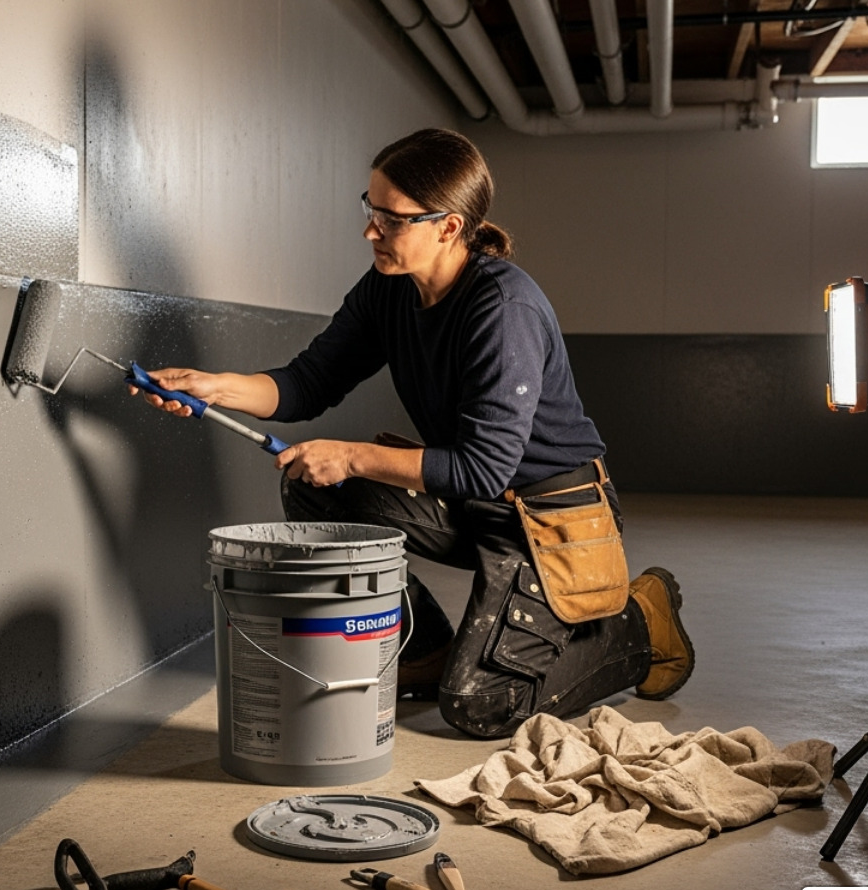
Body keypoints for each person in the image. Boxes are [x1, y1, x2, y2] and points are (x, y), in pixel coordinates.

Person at [133, 127, 693, 740]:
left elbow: (486, 469)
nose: (370, 230)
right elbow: (306, 384)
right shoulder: (388, 290)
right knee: (314, 488)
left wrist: (350, 455)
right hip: (472, 502)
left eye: (391, 218)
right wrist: (213, 387)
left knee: (481, 708)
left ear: (448, 227)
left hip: (552, 519)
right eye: (370, 209)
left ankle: (639, 620)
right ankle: (423, 646)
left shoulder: (504, 310)